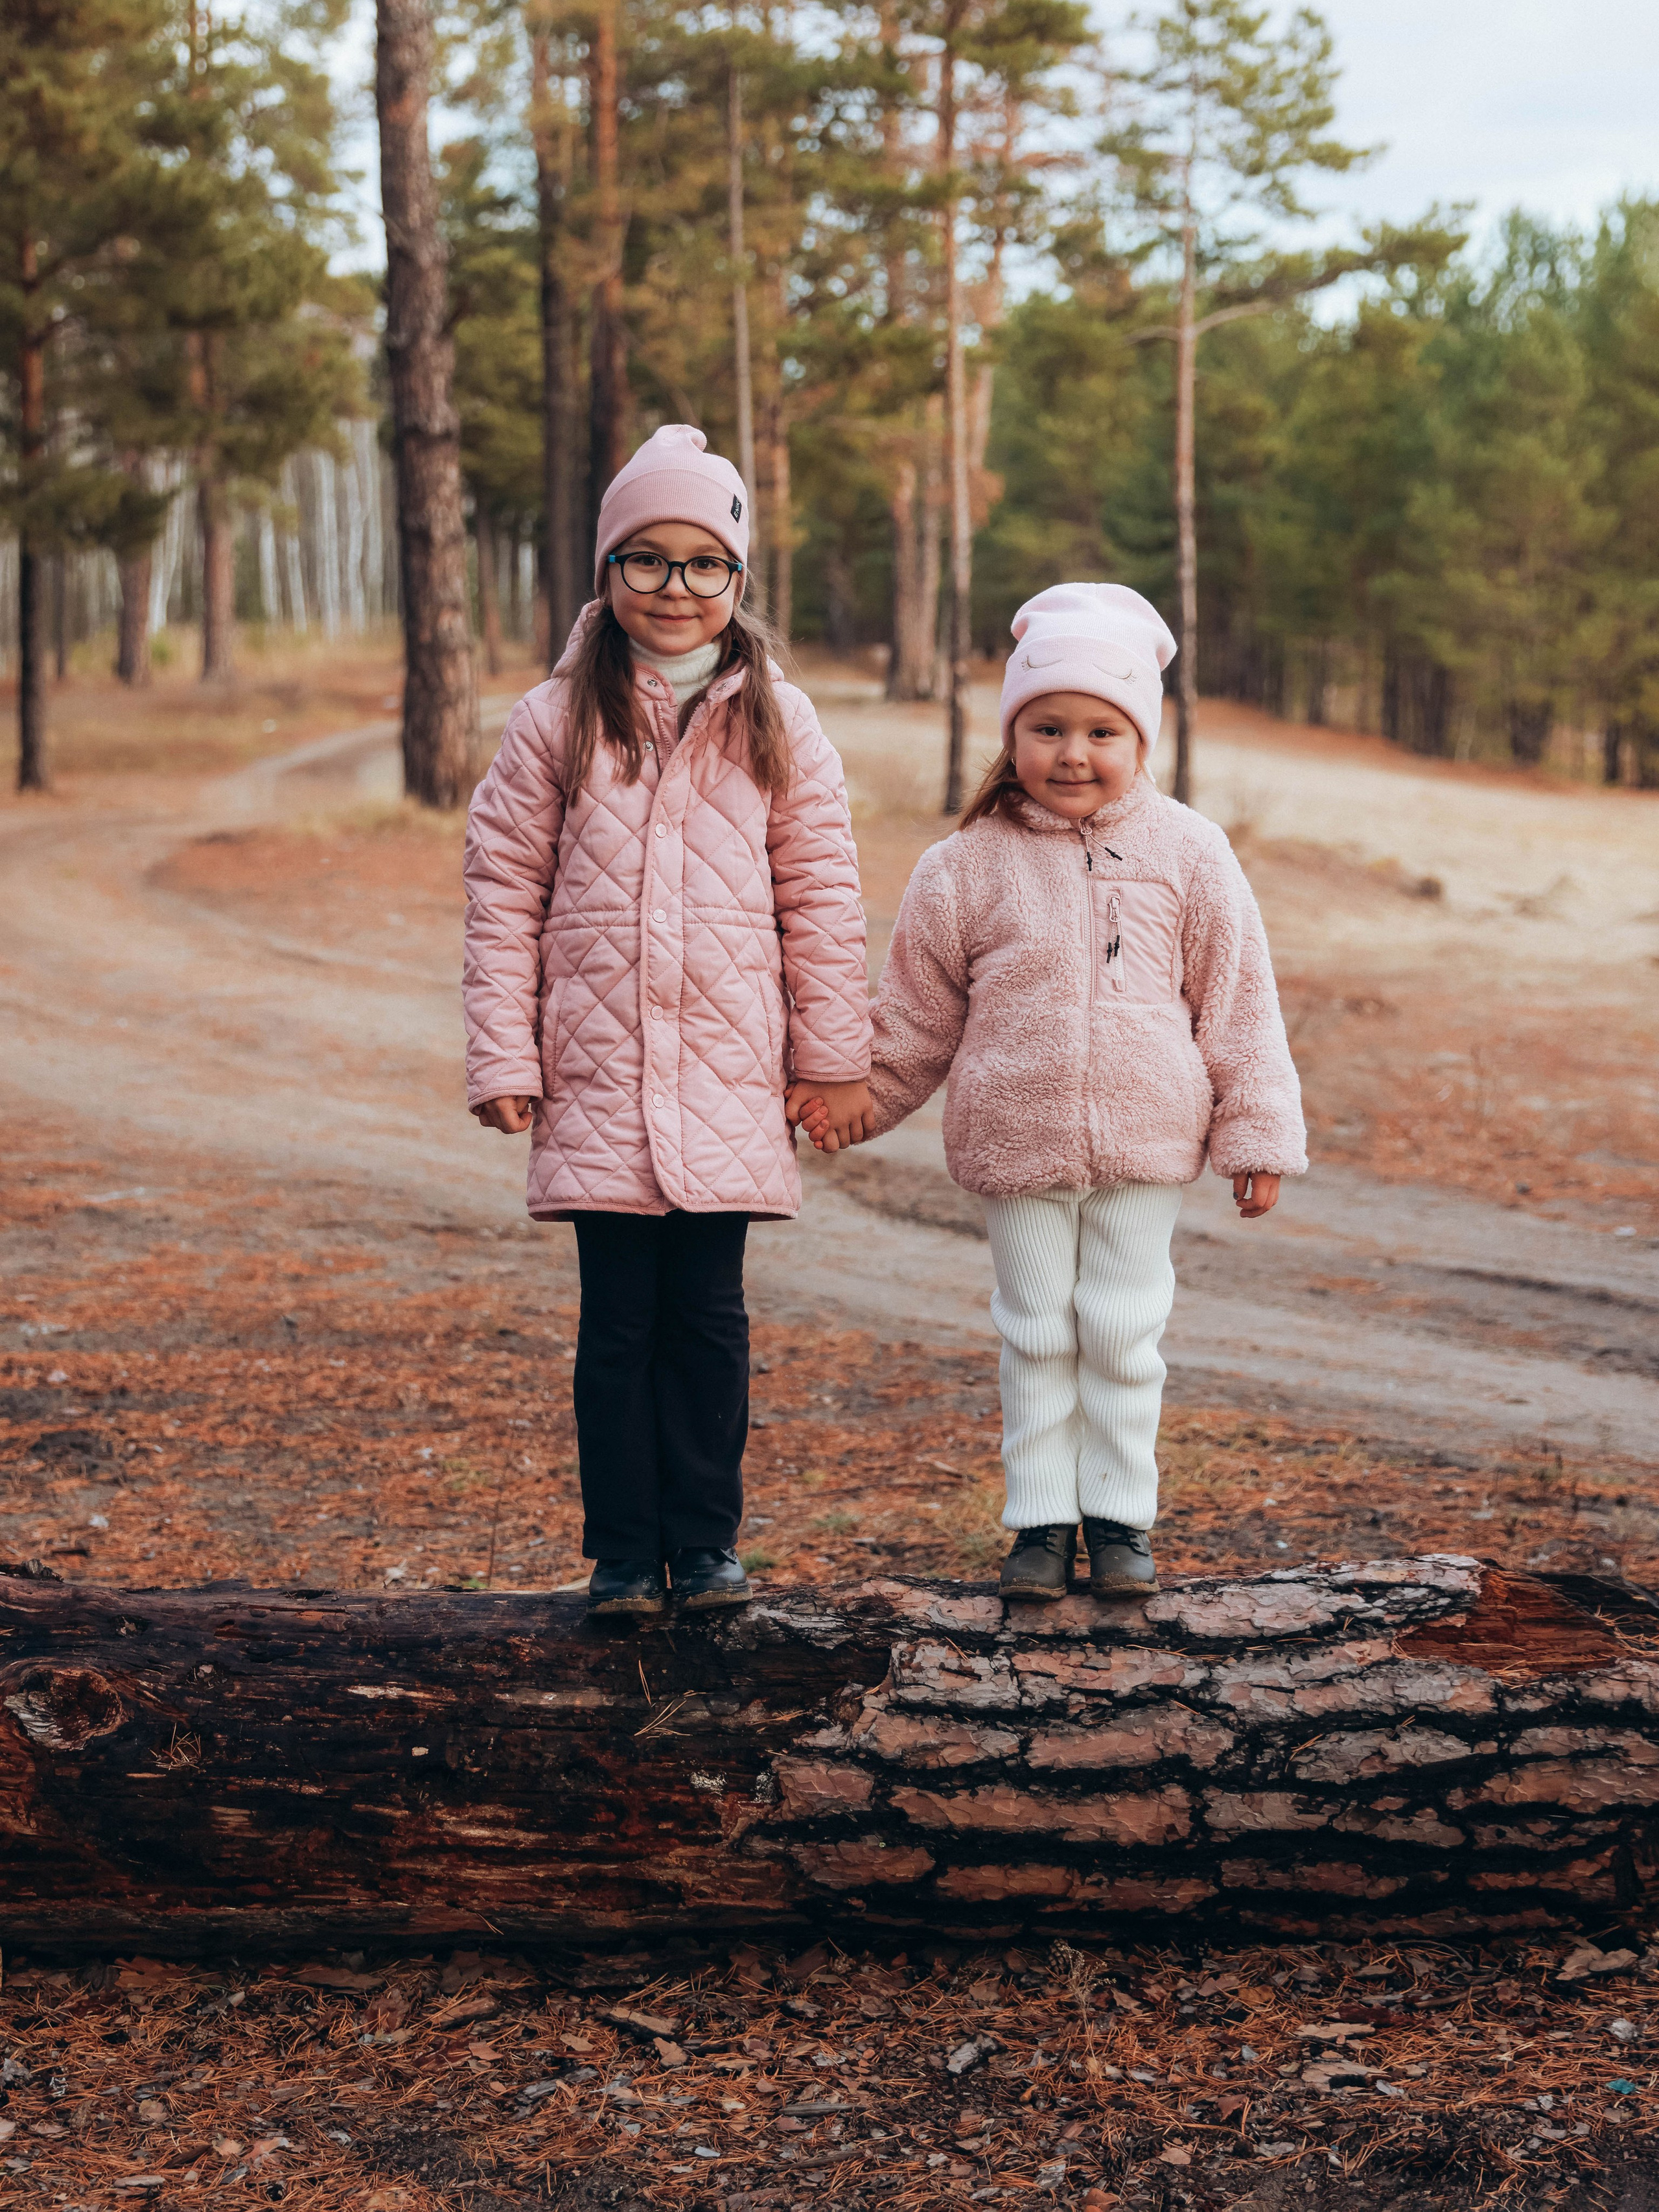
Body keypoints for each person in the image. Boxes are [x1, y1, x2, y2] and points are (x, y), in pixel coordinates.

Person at [795, 582, 1305, 1602]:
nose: (1074, 752)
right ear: (1013, 734)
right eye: (1049, 727)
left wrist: (1257, 1134)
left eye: (1101, 730)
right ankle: (1039, 1523)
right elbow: (916, 1016)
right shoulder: (964, 867)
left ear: (1142, 738)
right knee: (1035, 1329)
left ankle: (1120, 1519)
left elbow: (1239, 1002)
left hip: (1148, 1144)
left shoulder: (1189, 854)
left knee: (1122, 1329)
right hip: (1014, 1142)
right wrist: (859, 1099)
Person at [464, 424, 872, 1618]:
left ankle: (706, 1544)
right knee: (616, 1327)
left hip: (729, 1074)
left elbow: (824, 893)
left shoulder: (780, 722)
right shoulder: (554, 720)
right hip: (597, 1075)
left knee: (708, 1321)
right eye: (647, 559)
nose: (676, 588)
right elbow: (502, 889)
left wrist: (833, 1057)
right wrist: (505, 1047)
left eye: (704, 564)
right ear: (607, 570)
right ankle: (623, 1553)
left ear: (739, 583)